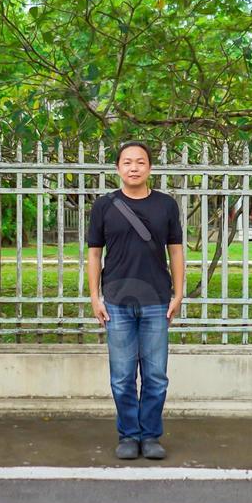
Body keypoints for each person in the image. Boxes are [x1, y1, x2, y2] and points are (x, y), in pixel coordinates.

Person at [86, 140, 185, 461]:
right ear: (118, 168)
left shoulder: (166, 205)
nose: (133, 167)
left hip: (157, 299)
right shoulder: (104, 206)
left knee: (156, 375)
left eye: (140, 162)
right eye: (127, 162)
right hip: (116, 300)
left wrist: (179, 294)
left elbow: (176, 251)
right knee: (122, 375)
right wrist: (94, 296)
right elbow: (94, 253)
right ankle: (128, 434)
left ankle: (151, 435)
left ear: (149, 168)